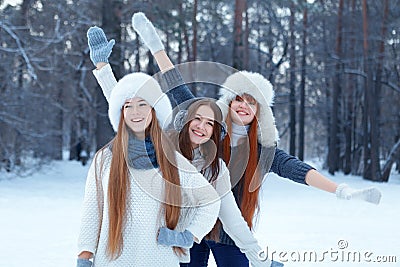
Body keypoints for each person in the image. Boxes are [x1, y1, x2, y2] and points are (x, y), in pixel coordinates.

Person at [129, 12, 382, 267]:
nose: (243, 105)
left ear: (260, 111)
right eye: (239, 98)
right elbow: (175, 85)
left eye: (252, 102)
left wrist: (340, 189)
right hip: (188, 226)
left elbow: (298, 170)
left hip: (232, 236)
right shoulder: (206, 126)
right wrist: (155, 45)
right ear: (228, 102)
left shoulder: (261, 152)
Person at [87, 24, 283, 267]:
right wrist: (102, 68)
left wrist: (259, 259)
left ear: (215, 132)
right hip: (150, 244)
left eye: (209, 124)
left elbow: (233, 219)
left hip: (182, 241)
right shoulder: (164, 147)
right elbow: (130, 113)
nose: (201, 127)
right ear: (187, 120)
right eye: (197, 119)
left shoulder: (216, 169)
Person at [76, 62, 221, 266]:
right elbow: (92, 209)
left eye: (143, 104)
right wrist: (84, 256)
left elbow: (210, 200)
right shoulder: (105, 158)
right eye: (128, 105)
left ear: (154, 110)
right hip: (112, 259)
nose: (136, 112)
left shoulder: (171, 159)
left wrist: (188, 236)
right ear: (121, 113)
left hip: (158, 258)